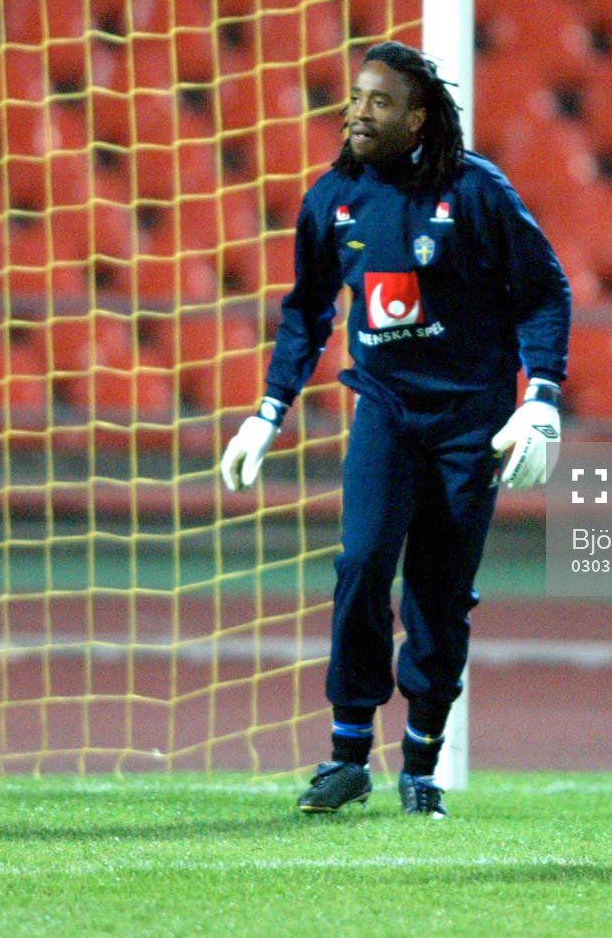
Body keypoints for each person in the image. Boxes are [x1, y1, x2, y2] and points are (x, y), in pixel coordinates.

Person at [219, 41, 571, 819]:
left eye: (379, 101)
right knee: (362, 562)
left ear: (418, 116)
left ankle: (421, 763)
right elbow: (306, 313)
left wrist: (541, 395)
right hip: (383, 410)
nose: (358, 113)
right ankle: (347, 755)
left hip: (469, 425)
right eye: (354, 98)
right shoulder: (332, 199)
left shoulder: (476, 192)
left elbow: (545, 289)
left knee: (440, 597)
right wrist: (268, 408)